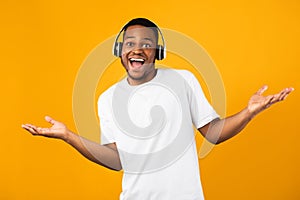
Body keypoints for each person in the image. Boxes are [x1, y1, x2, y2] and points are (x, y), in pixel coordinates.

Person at [22, 18, 294, 200]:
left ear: (157, 52)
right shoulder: (107, 98)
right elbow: (117, 160)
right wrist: (69, 136)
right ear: (120, 50)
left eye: (146, 44)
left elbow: (213, 133)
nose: (137, 49)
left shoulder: (182, 80)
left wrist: (249, 112)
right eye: (130, 43)